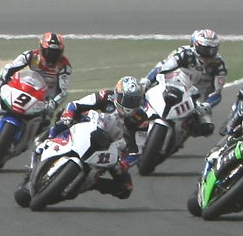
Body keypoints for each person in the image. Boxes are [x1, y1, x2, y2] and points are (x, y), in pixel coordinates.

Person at [14, 76, 145, 206]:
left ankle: (91, 184)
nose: (129, 104)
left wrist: (124, 163)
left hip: (112, 149)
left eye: (134, 101)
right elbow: (76, 105)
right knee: (62, 115)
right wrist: (68, 116)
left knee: (125, 188)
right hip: (90, 128)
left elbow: (137, 151)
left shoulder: (141, 119)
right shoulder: (105, 96)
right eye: (126, 99)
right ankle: (46, 141)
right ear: (118, 93)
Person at [145, 29, 228, 137]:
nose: (208, 54)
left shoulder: (219, 64)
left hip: (198, 97)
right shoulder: (185, 53)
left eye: (212, 50)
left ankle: (181, 134)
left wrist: (206, 105)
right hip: (176, 85)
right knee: (145, 92)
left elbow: (217, 92)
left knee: (207, 128)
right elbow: (163, 67)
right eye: (204, 49)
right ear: (196, 45)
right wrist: (147, 80)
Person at [0, 32, 73, 115]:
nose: (52, 56)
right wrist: (0, 79)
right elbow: (10, 67)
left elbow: (63, 91)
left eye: (55, 53)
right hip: (28, 89)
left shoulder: (64, 65)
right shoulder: (30, 55)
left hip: (45, 99)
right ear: (41, 48)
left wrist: (54, 103)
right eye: (49, 52)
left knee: (45, 120)